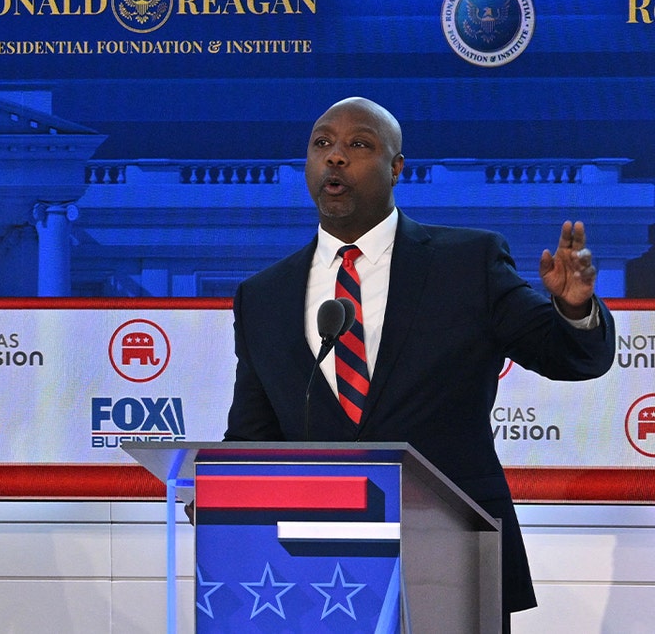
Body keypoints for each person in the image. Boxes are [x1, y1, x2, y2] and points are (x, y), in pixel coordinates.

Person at [221, 97, 615, 625]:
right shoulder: (263, 296)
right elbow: (252, 436)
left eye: (359, 144)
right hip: (310, 566)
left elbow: (570, 357)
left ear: (396, 168)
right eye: (322, 144)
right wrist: (219, 494)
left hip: (452, 553)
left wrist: (573, 309)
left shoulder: (467, 262)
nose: (335, 157)